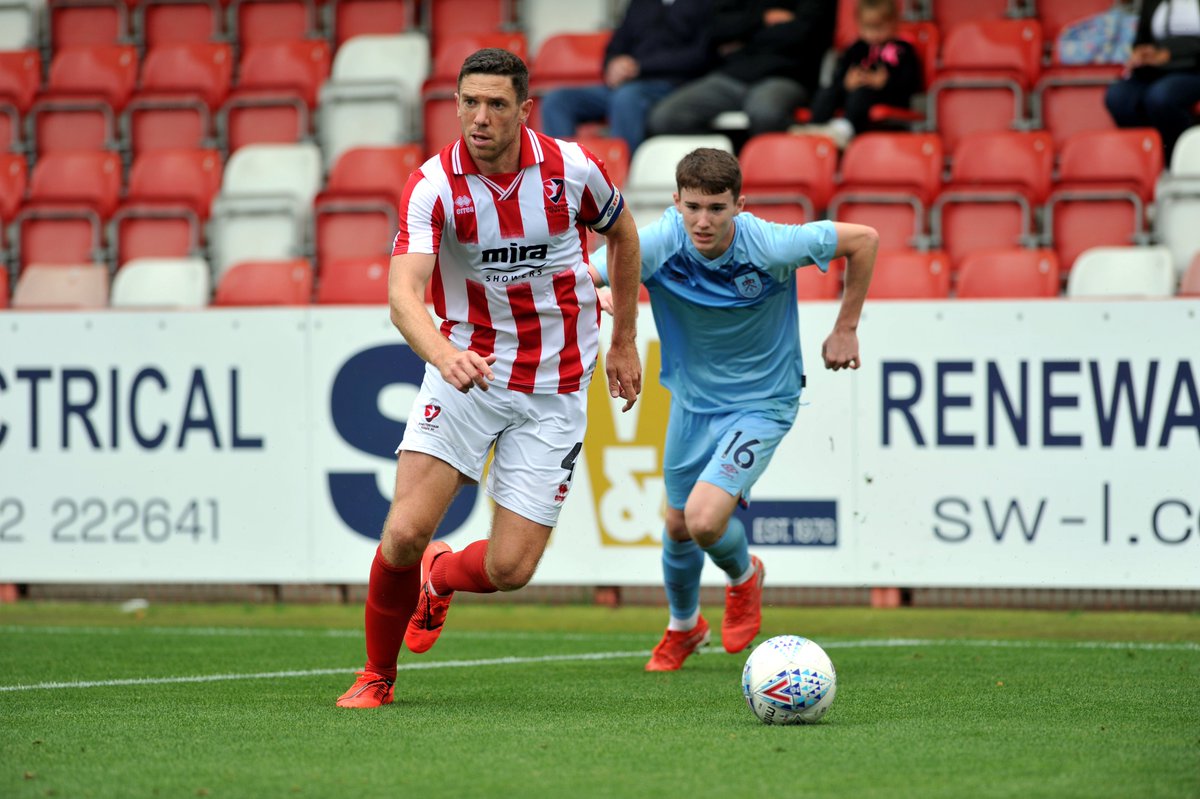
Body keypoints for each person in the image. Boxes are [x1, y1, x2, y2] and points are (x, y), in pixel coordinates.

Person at [337, 48, 644, 708]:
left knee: (511, 569)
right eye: (469, 102)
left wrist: (622, 341)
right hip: (466, 376)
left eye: (496, 104)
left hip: (557, 384)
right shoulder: (433, 186)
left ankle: (441, 579)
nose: (480, 117)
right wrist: (444, 356)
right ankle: (376, 675)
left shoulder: (571, 169)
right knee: (401, 533)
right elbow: (402, 295)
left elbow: (624, 235)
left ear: (523, 110)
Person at [589, 148, 877, 671]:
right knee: (676, 525)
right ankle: (684, 627)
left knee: (701, 519)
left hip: (762, 402)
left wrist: (846, 327)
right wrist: (597, 289)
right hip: (692, 404)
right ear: (675, 201)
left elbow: (864, 240)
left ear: (739, 205)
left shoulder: (769, 244)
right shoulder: (654, 245)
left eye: (717, 209)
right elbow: (591, 272)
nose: (703, 221)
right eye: (693, 206)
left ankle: (744, 578)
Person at [539, 0, 716, 154]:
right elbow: (615, 46)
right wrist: (613, 65)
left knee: (626, 98)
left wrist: (640, 67)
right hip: (627, 84)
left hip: (673, 85)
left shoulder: (704, 3)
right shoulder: (640, 3)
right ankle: (560, 175)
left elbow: (701, 55)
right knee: (557, 100)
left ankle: (619, 180)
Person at [647, 0, 834, 139]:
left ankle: (765, 169)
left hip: (785, 75)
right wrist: (763, 19)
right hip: (733, 75)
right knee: (666, 116)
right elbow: (717, 29)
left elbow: (803, 35)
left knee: (765, 112)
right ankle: (723, 167)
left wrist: (744, 37)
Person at [797, 0, 922, 149]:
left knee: (861, 93)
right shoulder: (856, 48)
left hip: (887, 96)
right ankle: (815, 126)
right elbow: (841, 74)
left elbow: (912, 83)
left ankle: (844, 129)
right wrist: (846, 82)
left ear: (894, 22)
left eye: (879, 27)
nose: (874, 34)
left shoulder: (903, 49)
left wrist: (885, 83)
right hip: (853, 92)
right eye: (868, 27)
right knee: (827, 91)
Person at [1105, 0, 1200, 164]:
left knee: (1160, 96)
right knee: (1117, 96)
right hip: (1154, 71)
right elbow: (1141, 40)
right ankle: (1143, 161)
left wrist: (1169, 53)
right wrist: (1141, 53)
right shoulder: (1152, 2)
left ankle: (1176, 160)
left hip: (1193, 69)